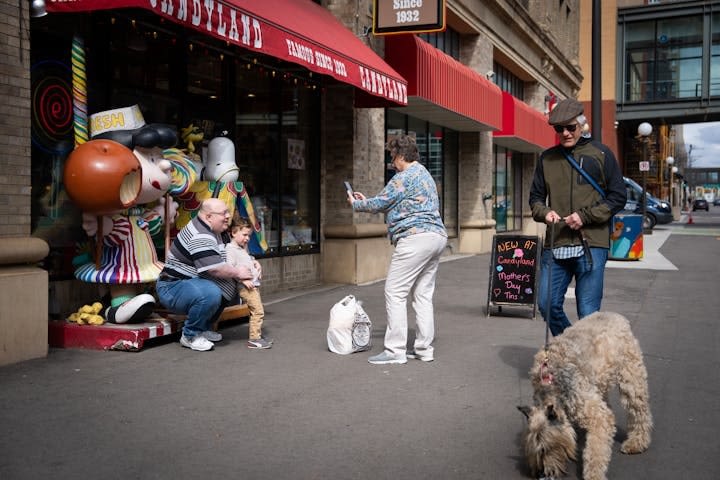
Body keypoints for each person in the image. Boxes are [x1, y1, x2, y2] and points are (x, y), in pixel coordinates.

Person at [347, 133, 448, 365]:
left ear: (401, 155)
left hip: (415, 238)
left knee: (395, 291)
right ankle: (424, 349)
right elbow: (392, 200)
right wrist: (369, 199)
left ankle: (395, 351)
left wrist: (357, 203)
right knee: (422, 295)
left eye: (393, 157)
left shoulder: (404, 176)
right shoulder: (424, 174)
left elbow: (381, 202)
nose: (392, 162)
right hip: (436, 236)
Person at [529, 98, 626, 336]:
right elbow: (535, 199)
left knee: (588, 314)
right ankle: (572, 349)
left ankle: (586, 363)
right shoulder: (547, 158)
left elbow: (618, 196)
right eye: (558, 129)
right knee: (547, 305)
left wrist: (585, 216)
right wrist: (545, 212)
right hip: (557, 244)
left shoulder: (601, 153)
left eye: (570, 127)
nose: (564, 133)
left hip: (591, 244)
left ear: (581, 124)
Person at [156, 198, 253, 351]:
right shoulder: (200, 235)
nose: (228, 216)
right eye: (223, 213)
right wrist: (239, 272)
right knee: (211, 292)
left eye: (228, 212)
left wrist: (253, 262)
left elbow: (237, 251)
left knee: (228, 285)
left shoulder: (218, 230)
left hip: (190, 283)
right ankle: (190, 335)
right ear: (208, 216)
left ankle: (203, 327)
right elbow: (215, 269)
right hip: (172, 287)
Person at [226, 216, 272, 349]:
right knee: (258, 311)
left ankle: (257, 334)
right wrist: (243, 279)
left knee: (257, 310)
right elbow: (230, 268)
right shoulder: (230, 249)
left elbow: (246, 259)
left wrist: (254, 262)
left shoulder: (241, 248)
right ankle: (254, 339)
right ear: (234, 232)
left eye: (249, 235)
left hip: (253, 285)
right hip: (246, 287)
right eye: (244, 235)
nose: (247, 238)